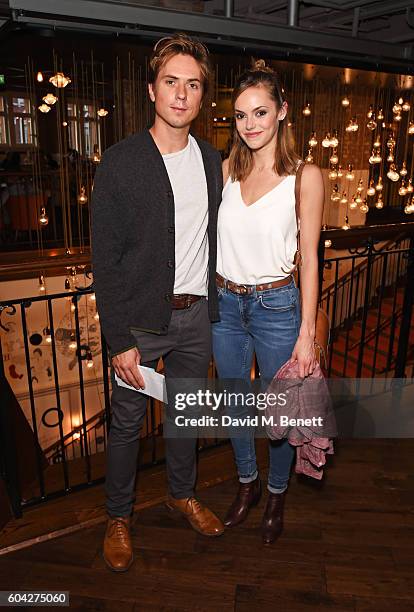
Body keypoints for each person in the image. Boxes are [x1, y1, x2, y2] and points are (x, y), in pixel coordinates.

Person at [91, 33, 224, 573]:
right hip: (142, 322)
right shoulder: (121, 162)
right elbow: (106, 258)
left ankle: (181, 494)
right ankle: (118, 516)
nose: (181, 94)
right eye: (171, 82)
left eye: (192, 84)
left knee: (185, 417)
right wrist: (118, 338)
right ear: (152, 89)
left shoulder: (213, 161)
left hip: (195, 318)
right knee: (126, 424)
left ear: (201, 96)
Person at [212, 60, 324, 544]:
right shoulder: (225, 171)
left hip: (277, 307)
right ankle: (247, 484)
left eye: (260, 112)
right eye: (240, 115)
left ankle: (277, 491)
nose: (250, 124)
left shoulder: (305, 175)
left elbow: (314, 260)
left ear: (282, 111)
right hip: (225, 305)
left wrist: (307, 335)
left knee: (279, 417)